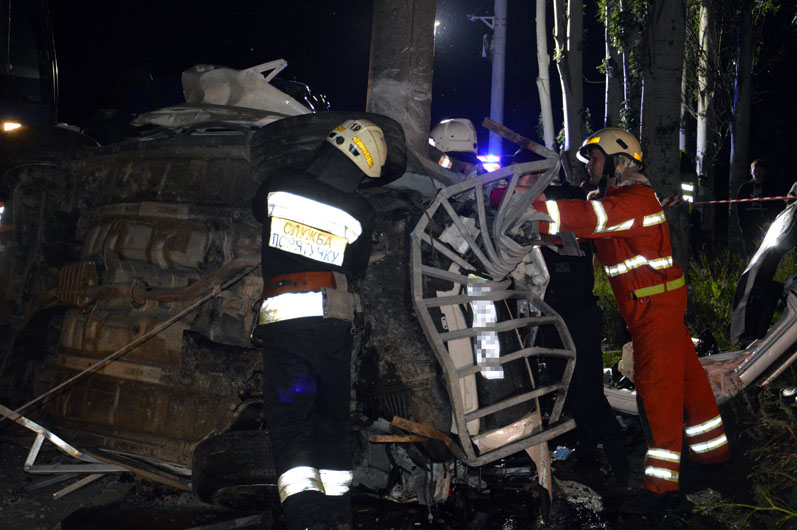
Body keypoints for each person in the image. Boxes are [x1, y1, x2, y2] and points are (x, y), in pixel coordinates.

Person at [533, 128, 731, 514]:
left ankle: (661, 490)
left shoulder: (633, 202)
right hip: (656, 306)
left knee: (658, 394)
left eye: (594, 159)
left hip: (653, 311)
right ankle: (714, 458)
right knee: (690, 384)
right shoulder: (619, 201)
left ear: (616, 162)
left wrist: (528, 208)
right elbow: (588, 229)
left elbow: (583, 219)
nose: (589, 167)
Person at [251, 119, 387, 530]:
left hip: (285, 324)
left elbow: (259, 212)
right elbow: (356, 268)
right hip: (333, 325)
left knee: (292, 423)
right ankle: (336, 516)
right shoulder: (361, 209)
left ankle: (307, 519)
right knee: (332, 419)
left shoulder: (280, 182)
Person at [490, 168, 628, 485]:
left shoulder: (565, 204)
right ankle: (588, 452)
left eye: (524, 182)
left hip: (578, 316)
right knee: (567, 389)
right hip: (552, 316)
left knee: (590, 392)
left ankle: (619, 465)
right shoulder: (546, 207)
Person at [737, 159, 776, 258]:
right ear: (751, 172)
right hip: (749, 225)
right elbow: (739, 207)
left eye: (759, 171)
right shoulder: (744, 188)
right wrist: (742, 223)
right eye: (755, 171)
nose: (757, 174)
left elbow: (774, 205)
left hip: (765, 223)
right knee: (750, 251)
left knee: (766, 250)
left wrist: (771, 221)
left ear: (764, 171)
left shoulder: (769, 187)